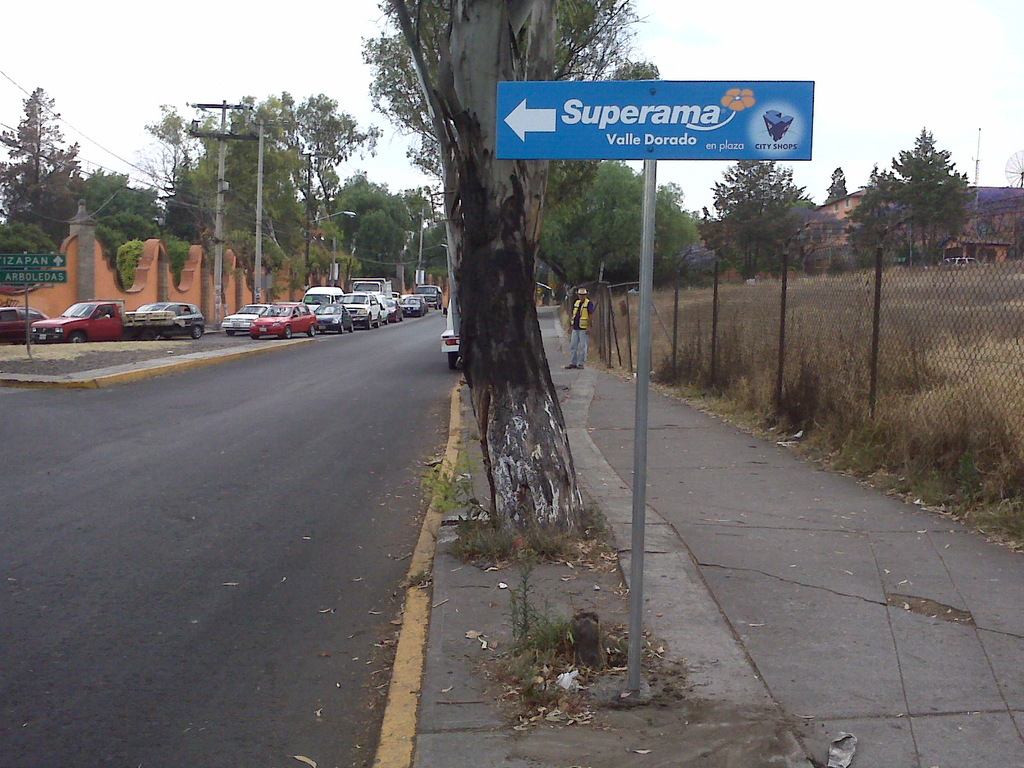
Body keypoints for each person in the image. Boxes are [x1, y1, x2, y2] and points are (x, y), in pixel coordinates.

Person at [566, 287, 595, 369]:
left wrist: (589, 327)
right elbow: (573, 315)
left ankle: (581, 363)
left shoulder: (589, 303)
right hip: (575, 327)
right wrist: (570, 326)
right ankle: (573, 363)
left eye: (583, 295)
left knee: (583, 346)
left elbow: (591, 315)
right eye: (580, 295)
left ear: (586, 295)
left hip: (583, 328)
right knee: (573, 346)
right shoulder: (576, 302)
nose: (581, 296)